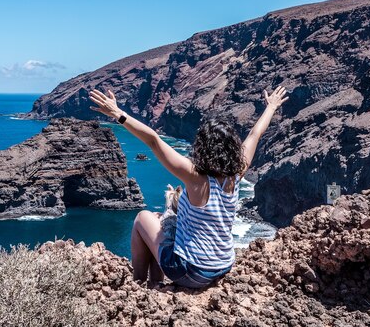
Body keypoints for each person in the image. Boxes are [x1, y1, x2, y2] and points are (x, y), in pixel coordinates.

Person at [88, 86, 289, 288]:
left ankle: (139, 285)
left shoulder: (196, 177)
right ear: (232, 147)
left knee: (142, 218)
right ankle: (155, 282)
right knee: (159, 220)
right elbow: (256, 134)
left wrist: (118, 114)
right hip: (222, 266)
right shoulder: (237, 173)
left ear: (202, 147)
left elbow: (154, 140)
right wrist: (271, 106)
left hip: (192, 272)